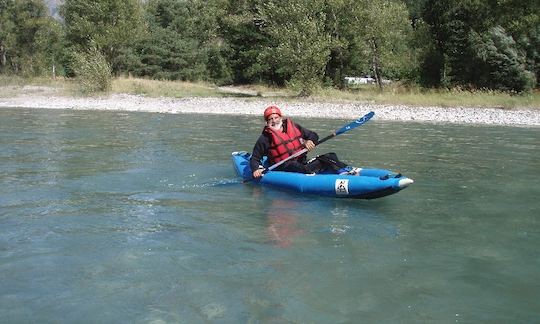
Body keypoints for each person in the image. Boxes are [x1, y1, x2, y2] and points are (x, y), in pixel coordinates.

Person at [250, 105, 360, 179]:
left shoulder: (294, 127)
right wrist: (256, 169)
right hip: (283, 167)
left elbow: (313, 135)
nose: (274, 121)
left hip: (301, 162)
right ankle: (318, 175)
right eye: (271, 119)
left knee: (330, 156)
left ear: (281, 118)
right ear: (267, 122)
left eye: (276, 117)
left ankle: (345, 171)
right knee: (294, 165)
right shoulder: (265, 138)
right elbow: (255, 157)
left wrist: (310, 141)